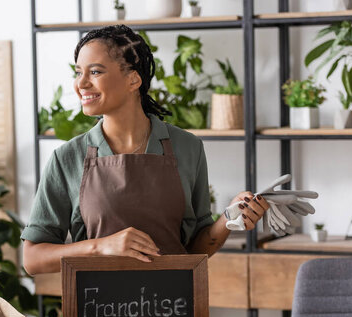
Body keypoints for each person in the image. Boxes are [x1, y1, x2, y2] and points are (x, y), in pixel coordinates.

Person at [21, 25, 268, 275]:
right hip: (97, 308)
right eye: (78, 72)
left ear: (133, 79)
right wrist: (100, 247)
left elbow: (195, 250)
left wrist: (228, 219)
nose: (81, 83)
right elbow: (32, 258)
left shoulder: (187, 147)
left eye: (95, 71)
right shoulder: (67, 158)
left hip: (173, 306)